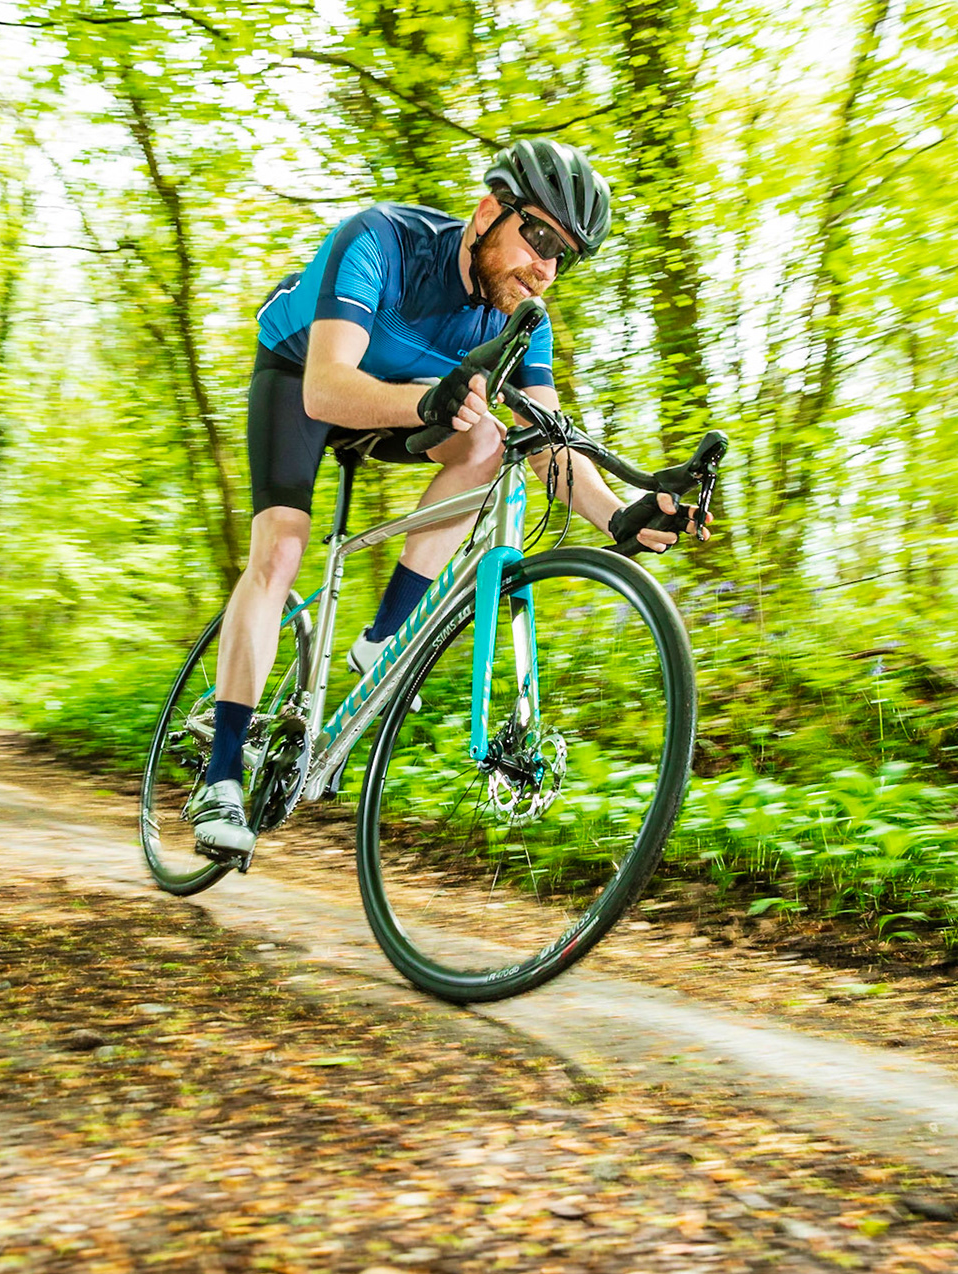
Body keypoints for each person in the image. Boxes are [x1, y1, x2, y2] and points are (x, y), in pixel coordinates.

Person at [187, 138, 704, 864]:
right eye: (541, 239)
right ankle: (222, 778)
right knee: (281, 546)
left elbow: (552, 441)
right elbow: (327, 387)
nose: (545, 270)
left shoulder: (525, 320)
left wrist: (620, 514)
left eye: (565, 258)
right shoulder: (381, 242)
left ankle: (382, 640)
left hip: (415, 406)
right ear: (490, 211)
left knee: (498, 444)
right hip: (305, 378)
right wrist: (427, 399)